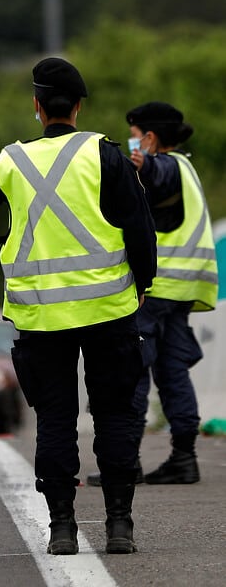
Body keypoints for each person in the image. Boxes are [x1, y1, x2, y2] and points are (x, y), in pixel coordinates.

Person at [0, 57, 157, 555]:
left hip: (40, 318)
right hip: (110, 311)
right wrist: (142, 284)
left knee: (56, 420)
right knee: (115, 415)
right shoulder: (106, 155)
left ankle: (62, 527)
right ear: (78, 106)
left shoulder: (13, 160)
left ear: (36, 107)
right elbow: (139, 227)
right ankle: (119, 525)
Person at [87, 102, 217, 487]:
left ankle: (127, 462)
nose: (131, 139)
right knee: (173, 372)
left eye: (135, 132)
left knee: (133, 370)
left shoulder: (167, 166)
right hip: (183, 289)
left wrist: (140, 162)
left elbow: (155, 173)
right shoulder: (189, 169)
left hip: (155, 288)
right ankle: (184, 457)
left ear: (149, 137)